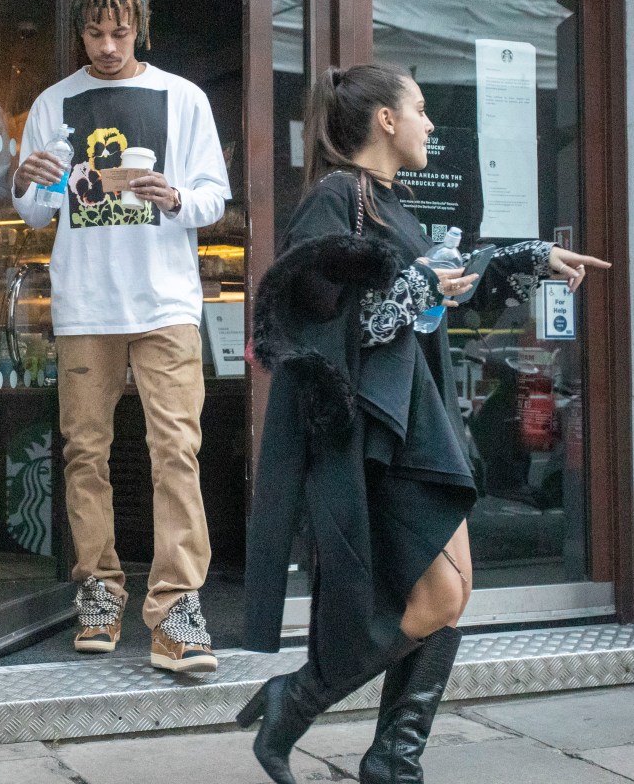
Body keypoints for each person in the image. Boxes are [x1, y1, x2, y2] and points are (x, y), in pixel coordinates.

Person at [238, 63, 610, 783]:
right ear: (384, 120)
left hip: (414, 418)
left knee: (451, 596)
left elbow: (433, 293)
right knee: (438, 596)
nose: (430, 124)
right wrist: (412, 286)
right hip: (378, 430)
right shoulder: (336, 196)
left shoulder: (382, 202)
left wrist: (527, 257)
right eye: (420, 108)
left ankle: (394, 759)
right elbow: (313, 318)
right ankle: (299, 700)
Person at [11, 0, 231, 674]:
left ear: (140, 26)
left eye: (120, 31)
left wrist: (175, 197)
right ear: (79, 28)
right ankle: (99, 591)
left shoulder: (182, 98)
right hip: (85, 303)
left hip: (166, 301)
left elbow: (215, 198)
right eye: (94, 31)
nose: (107, 45)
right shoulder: (54, 103)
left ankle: (177, 608)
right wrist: (23, 183)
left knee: (176, 451)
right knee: (84, 452)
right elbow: (38, 210)